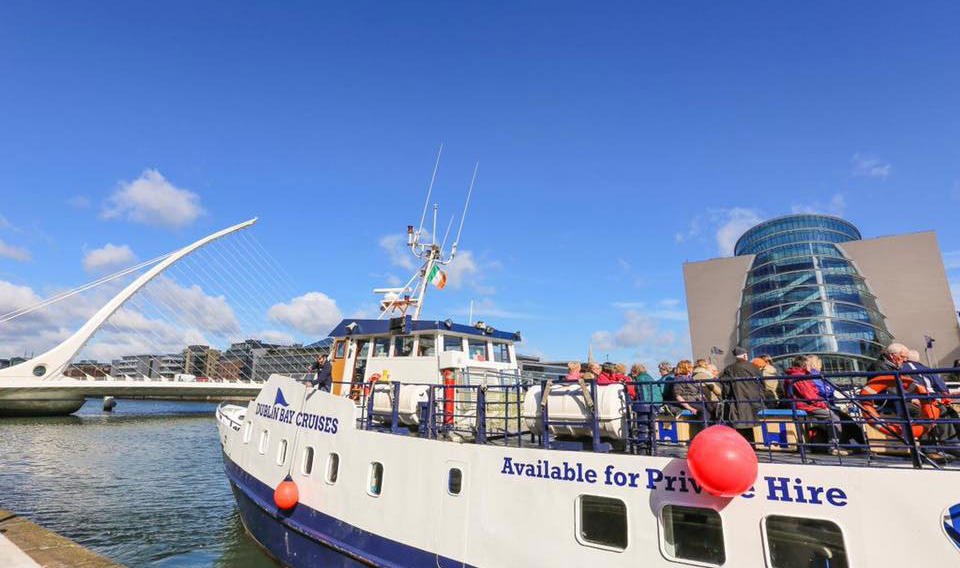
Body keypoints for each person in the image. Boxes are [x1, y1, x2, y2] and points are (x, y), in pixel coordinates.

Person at [792, 355, 848, 456]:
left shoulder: (801, 375)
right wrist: (823, 405)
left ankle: (839, 444)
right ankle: (834, 447)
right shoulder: (800, 377)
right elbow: (810, 396)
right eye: (809, 364)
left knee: (834, 414)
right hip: (804, 405)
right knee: (832, 416)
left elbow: (813, 392)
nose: (811, 366)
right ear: (804, 365)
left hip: (805, 404)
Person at [719, 347, 765, 439]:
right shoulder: (754, 367)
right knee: (754, 428)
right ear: (744, 355)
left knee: (740, 428)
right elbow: (762, 384)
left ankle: (745, 447)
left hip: (738, 402)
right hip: (755, 401)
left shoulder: (729, 369)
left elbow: (726, 388)